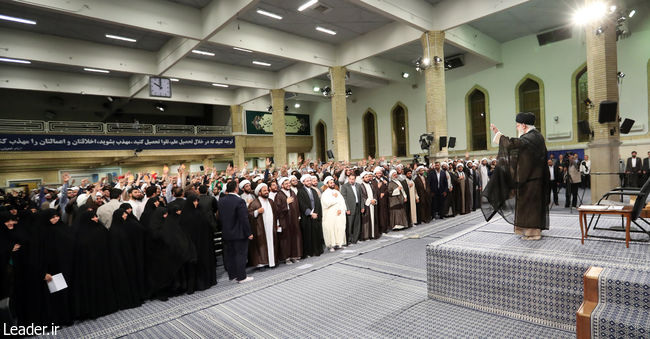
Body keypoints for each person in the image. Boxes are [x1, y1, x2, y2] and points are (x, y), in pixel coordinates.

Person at [486, 112, 549, 240]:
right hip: (529, 178)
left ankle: (533, 233)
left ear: (524, 125)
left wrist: (498, 134)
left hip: (532, 180)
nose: (517, 127)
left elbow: (513, 144)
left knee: (530, 206)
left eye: (517, 125)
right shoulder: (534, 137)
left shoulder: (532, 137)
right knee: (526, 205)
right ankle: (526, 230)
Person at [71, 210, 118, 320]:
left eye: (96, 216)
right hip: (88, 267)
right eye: (93, 217)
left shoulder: (101, 229)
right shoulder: (79, 233)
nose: (96, 219)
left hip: (103, 264)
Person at [217, 181, 253, 284]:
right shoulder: (239, 201)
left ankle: (232, 275)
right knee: (241, 254)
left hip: (226, 232)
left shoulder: (221, 201)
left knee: (231, 255)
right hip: (239, 233)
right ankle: (242, 277)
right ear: (236, 189)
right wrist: (249, 232)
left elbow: (220, 218)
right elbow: (244, 219)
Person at [180, 195, 216, 292]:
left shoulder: (200, 212)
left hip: (203, 243)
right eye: (194, 201)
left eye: (197, 201)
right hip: (192, 244)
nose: (196, 203)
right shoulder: (185, 215)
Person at [247, 183, 278, 268]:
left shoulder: (271, 201)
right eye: (264, 191)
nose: (267, 192)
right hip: (260, 229)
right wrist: (257, 212)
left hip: (271, 228)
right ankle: (262, 263)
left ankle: (272, 262)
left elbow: (276, 213)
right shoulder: (254, 203)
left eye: (267, 190)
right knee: (262, 246)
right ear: (259, 193)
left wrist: (277, 225)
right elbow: (249, 215)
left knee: (272, 243)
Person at [274, 177, 302, 264]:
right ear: (282, 185)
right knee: (286, 239)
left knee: (294, 237)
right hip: (284, 220)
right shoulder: (279, 195)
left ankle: (294, 256)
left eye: (289, 183)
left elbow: (297, 205)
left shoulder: (292, 192)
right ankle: (287, 258)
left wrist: (298, 215)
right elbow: (277, 209)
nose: (288, 185)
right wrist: (286, 202)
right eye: (286, 184)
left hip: (293, 219)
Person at [297, 175, 324, 257]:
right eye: (307, 181)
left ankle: (317, 250)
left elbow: (317, 203)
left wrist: (316, 213)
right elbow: (302, 204)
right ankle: (309, 252)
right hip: (307, 217)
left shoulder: (313, 190)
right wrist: (310, 213)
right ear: (303, 182)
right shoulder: (300, 192)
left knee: (316, 234)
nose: (309, 182)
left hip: (315, 215)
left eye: (310, 180)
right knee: (308, 235)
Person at [320, 176, 347, 251]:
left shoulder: (337, 192)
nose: (332, 184)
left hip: (339, 214)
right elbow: (327, 204)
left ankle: (339, 243)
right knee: (331, 229)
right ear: (327, 184)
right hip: (330, 215)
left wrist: (341, 209)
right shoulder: (325, 193)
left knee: (339, 228)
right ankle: (331, 245)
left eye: (333, 182)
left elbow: (342, 202)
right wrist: (334, 198)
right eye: (330, 183)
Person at [341, 173, 362, 244]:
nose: (351, 180)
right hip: (350, 207)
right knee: (349, 225)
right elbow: (344, 198)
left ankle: (355, 239)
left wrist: (362, 207)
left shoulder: (358, 186)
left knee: (357, 223)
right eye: (350, 179)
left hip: (357, 206)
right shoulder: (344, 186)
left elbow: (361, 197)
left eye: (353, 179)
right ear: (348, 179)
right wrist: (347, 209)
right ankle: (349, 239)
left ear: (355, 179)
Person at [359, 171, 379, 240]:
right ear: (363, 178)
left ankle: (373, 234)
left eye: (368, 177)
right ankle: (367, 235)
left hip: (373, 204)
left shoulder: (371, 185)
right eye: (366, 177)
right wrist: (370, 201)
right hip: (366, 205)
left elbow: (375, 194)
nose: (367, 178)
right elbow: (362, 196)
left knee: (374, 219)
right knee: (366, 221)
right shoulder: (361, 186)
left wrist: (374, 200)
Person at [372, 167, 390, 233]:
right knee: (378, 215)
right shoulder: (373, 182)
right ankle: (379, 229)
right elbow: (373, 191)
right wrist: (378, 187)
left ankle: (385, 228)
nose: (379, 174)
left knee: (384, 215)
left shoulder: (383, 181)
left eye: (380, 173)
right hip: (377, 201)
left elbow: (387, 189)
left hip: (383, 201)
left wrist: (384, 193)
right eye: (378, 173)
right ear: (375, 174)